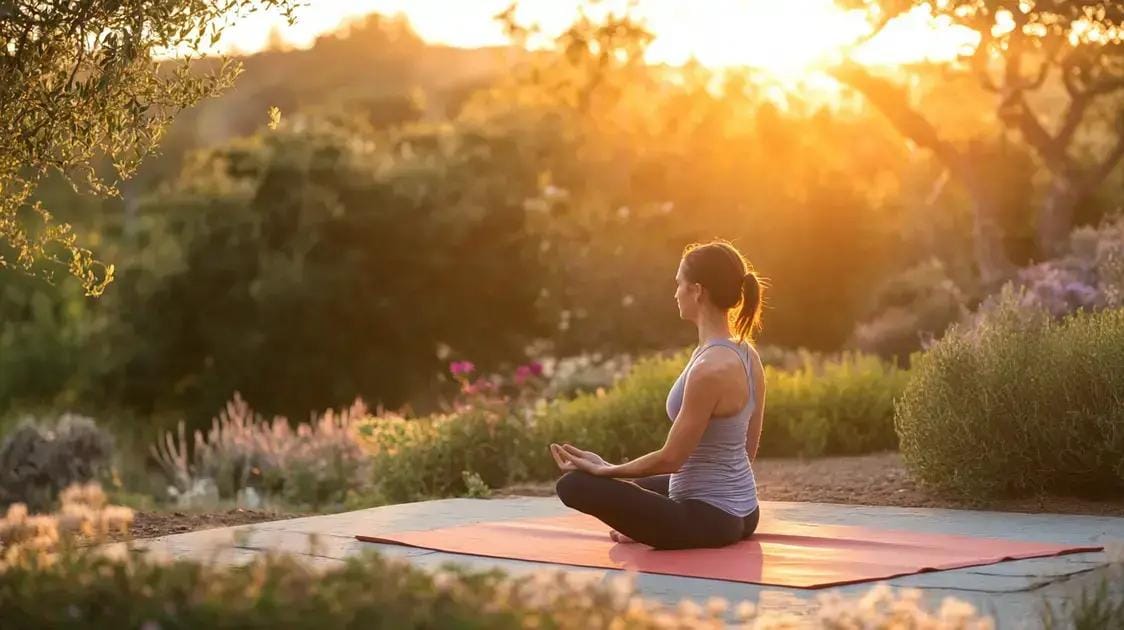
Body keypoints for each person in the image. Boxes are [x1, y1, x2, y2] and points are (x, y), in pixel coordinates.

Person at [550, 239, 766, 550]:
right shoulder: (746, 354)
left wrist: (604, 468)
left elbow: (671, 459)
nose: (675, 292)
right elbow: (748, 450)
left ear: (697, 291)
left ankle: (644, 524)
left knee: (574, 486)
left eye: (679, 283)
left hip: (711, 520)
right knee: (631, 487)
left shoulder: (709, 369)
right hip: (745, 510)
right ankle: (642, 521)